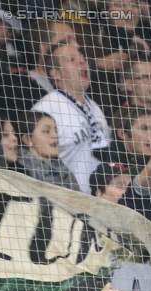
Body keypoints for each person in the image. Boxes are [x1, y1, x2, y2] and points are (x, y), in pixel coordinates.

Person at [32, 43, 112, 193]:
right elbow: (37, 162)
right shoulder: (45, 109)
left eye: (82, 58)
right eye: (71, 59)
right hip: (71, 202)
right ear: (55, 73)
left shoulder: (94, 106)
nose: (82, 61)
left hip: (102, 200)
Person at [16, 110, 79, 191]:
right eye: (46, 131)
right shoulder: (22, 171)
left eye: (56, 131)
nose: (55, 135)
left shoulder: (62, 167)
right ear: (27, 139)